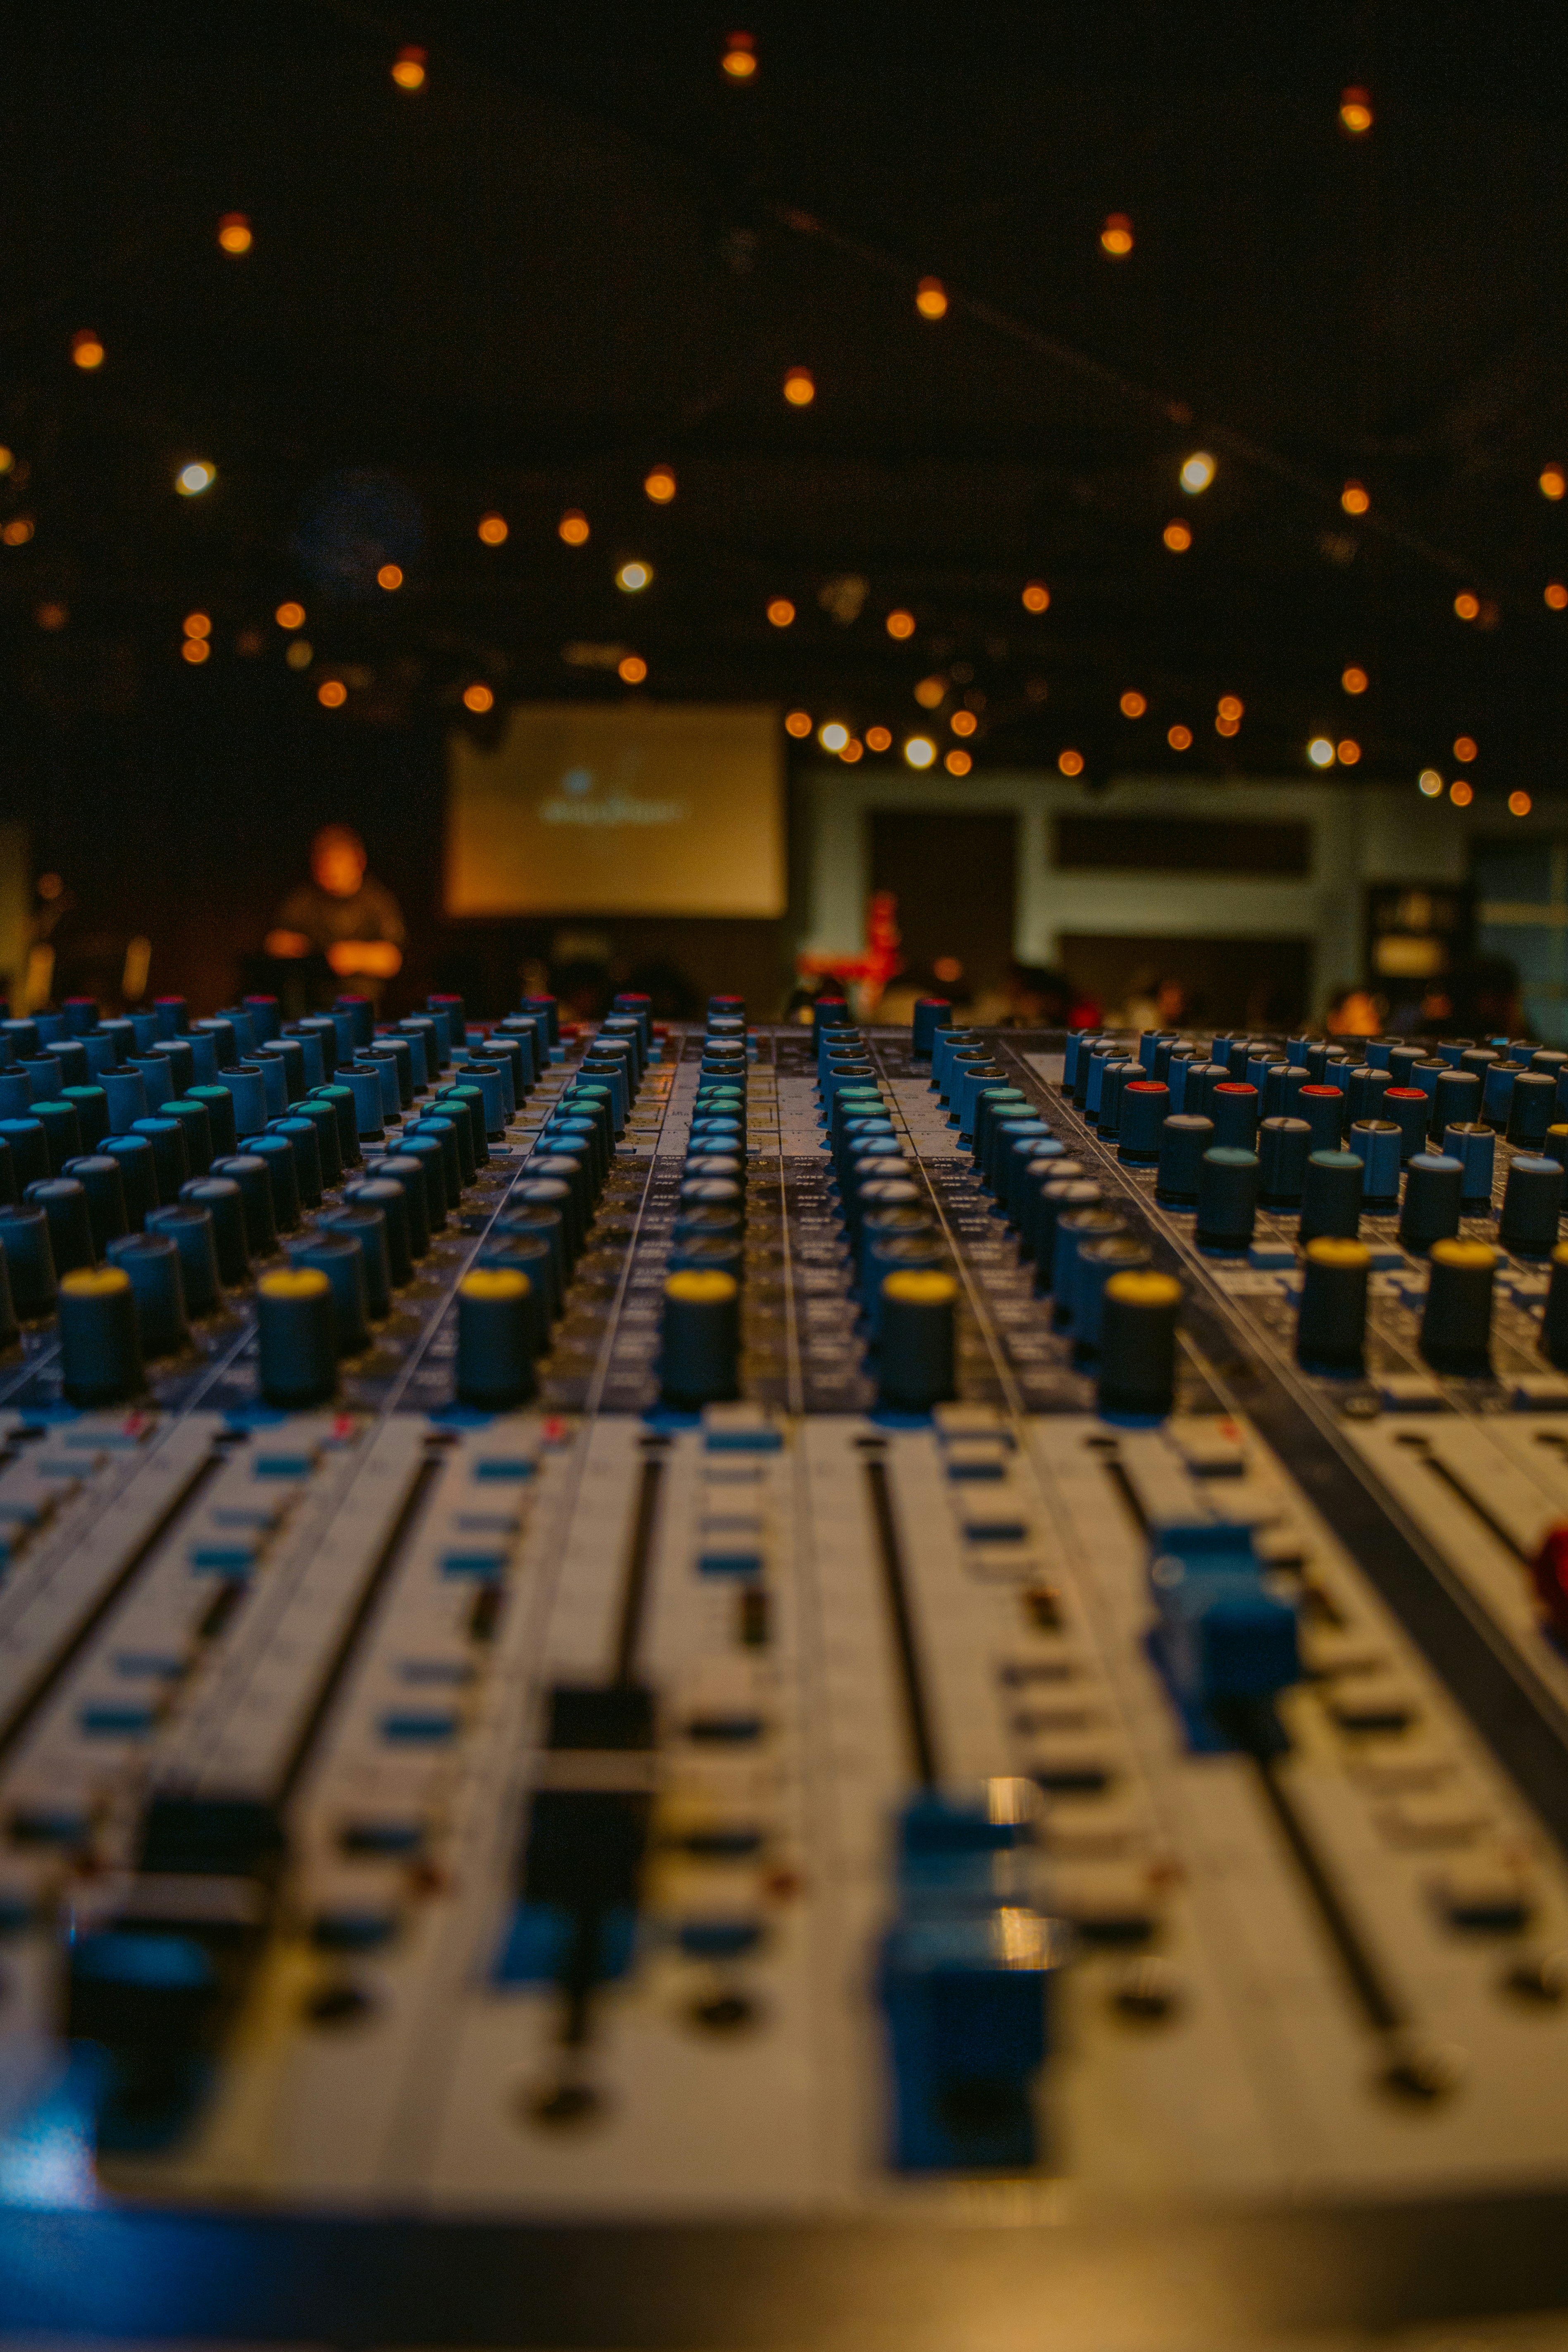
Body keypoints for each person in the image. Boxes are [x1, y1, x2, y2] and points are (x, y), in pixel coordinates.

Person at [265, 825, 406, 998]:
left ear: (359, 861)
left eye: (339, 860)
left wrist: (357, 956)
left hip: (360, 1002)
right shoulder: (303, 900)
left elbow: (393, 960)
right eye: (324, 863)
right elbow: (274, 942)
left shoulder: (377, 901)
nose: (331, 870)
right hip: (311, 1002)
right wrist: (293, 947)